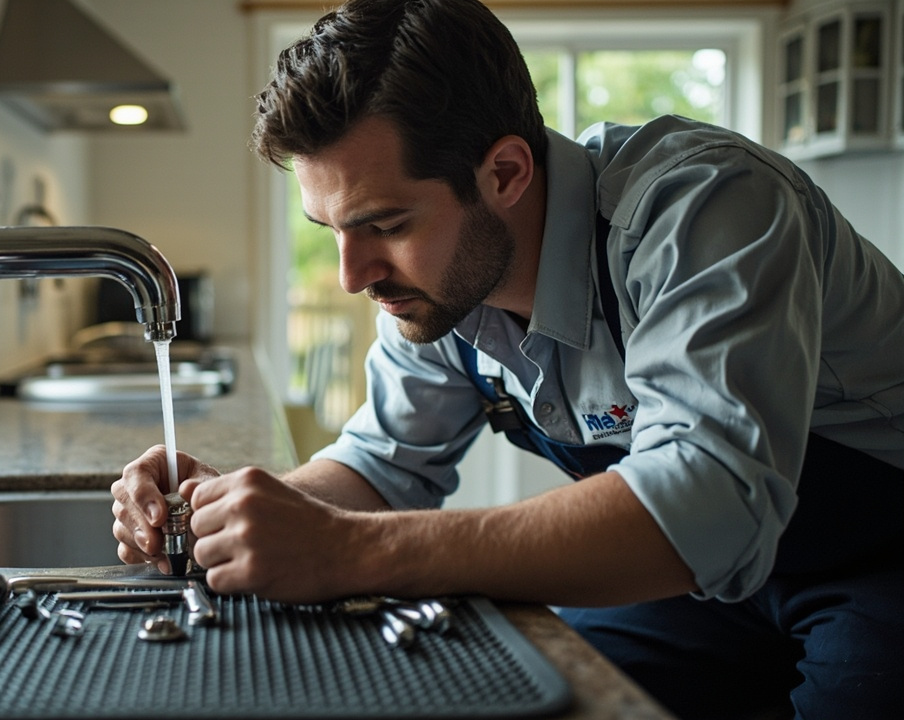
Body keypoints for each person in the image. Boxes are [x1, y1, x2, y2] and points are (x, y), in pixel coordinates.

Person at [111, 1, 904, 717]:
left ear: (505, 174)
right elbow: (382, 468)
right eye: (333, 232)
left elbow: (708, 506)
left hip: (877, 556)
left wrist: (345, 552)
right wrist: (239, 511)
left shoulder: (706, 205)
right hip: (694, 588)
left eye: (383, 224)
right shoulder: (441, 290)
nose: (353, 276)